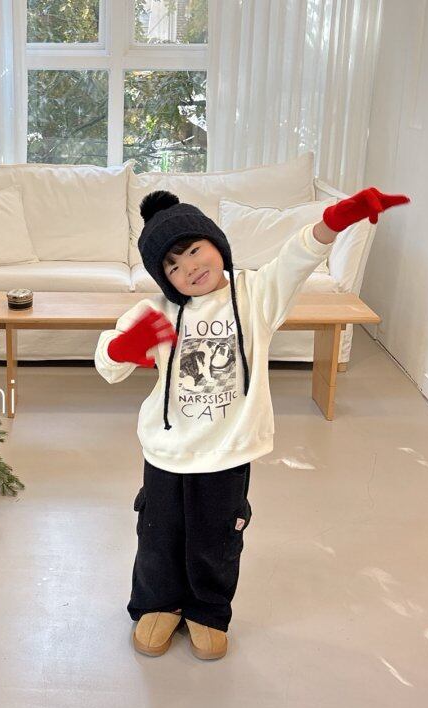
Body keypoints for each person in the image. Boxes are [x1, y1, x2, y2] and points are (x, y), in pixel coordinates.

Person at [94, 187, 410, 660]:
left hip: (229, 450)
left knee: (217, 537)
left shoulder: (255, 295)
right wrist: (123, 347)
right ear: (164, 280)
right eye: (173, 267)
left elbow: (296, 257)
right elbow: (107, 362)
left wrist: (337, 219)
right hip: (167, 451)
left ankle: (207, 610)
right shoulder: (156, 312)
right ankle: (158, 604)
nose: (189, 268)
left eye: (194, 250)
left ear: (216, 243)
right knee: (158, 534)